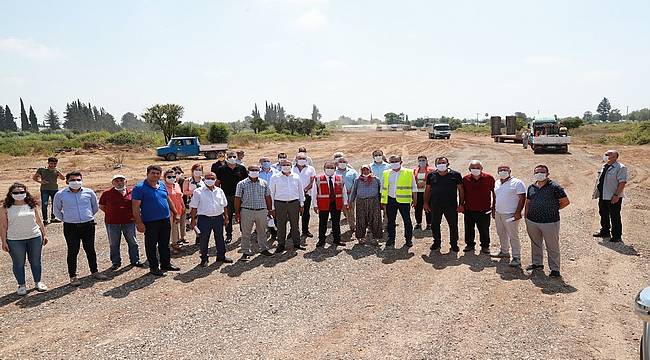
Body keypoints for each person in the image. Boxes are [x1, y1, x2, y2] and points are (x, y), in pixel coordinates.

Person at [53, 171, 108, 285]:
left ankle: (94, 272)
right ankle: (73, 276)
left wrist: (87, 216)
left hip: (88, 225)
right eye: (72, 180)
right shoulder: (60, 194)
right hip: (70, 227)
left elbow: (94, 207)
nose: (76, 182)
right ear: (67, 181)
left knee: (90, 249)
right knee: (73, 251)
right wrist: (67, 219)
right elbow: (56, 210)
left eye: (78, 180)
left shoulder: (89, 192)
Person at [132, 165, 181, 276]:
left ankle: (166, 264)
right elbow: (135, 206)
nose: (155, 175)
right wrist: (139, 222)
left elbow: (168, 200)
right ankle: (153, 267)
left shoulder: (162, 185)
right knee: (151, 245)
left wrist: (175, 213)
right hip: (150, 222)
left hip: (165, 219)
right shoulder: (139, 188)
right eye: (153, 173)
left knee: (164, 244)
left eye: (157, 173)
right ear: (147, 173)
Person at [0, 183, 49, 295]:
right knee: (18, 263)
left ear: (26, 193)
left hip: (34, 237)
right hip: (14, 239)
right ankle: (21, 285)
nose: (19, 194)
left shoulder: (32, 205)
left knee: (36, 261)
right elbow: (3, 226)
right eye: (16, 193)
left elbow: (39, 221)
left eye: (22, 192)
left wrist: (44, 235)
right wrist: (3, 241)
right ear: (10, 194)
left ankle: (38, 282)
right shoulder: (5, 208)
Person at [525, 164, 570, 278]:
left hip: (550, 222)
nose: (539, 174)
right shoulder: (531, 187)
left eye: (542, 172)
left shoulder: (555, 187)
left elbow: (565, 202)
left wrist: (553, 209)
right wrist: (526, 217)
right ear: (534, 174)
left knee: (552, 246)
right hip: (532, 221)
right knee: (535, 243)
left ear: (547, 174)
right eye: (537, 172)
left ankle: (555, 269)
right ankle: (537, 264)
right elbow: (528, 203)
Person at [98, 174, 144, 270]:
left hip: (129, 222)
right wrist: (111, 213)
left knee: (133, 242)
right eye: (116, 181)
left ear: (126, 182)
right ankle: (116, 262)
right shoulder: (107, 193)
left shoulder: (132, 192)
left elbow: (137, 205)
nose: (119, 183)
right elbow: (102, 206)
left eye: (121, 180)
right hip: (112, 223)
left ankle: (135, 260)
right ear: (113, 183)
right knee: (114, 243)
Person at [190, 171, 232, 266]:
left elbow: (224, 205)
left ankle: (221, 256)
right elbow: (194, 207)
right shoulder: (198, 191)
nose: (210, 180)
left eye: (212, 178)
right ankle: (204, 258)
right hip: (204, 219)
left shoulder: (220, 191)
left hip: (218, 218)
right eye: (208, 178)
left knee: (220, 238)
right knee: (204, 239)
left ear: (216, 180)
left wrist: (226, 216)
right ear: (204, 180)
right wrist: (193, 220)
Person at [424, 157, 464, 252]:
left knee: (453, 225)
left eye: (443, 162)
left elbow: (461, 190)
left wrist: (461, 204)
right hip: (435, 205)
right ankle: (437, 242)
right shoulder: (431, 175)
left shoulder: (456, 175)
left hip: (451, 205)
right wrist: (425, 203)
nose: (441, 164)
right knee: (435, 224)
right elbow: (427, 190)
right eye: (439, 163)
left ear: (448, 164)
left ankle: (454, 244)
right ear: (436, 165)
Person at [234, 165, 274, 260]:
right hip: (247, 211)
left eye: (256, 170)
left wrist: (270, 210)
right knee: (246, 233)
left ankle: (264, 249)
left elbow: (268, 197)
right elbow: (237, 198)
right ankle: (245, 251)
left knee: (262, 231)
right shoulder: (242, 184)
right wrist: (237, 212)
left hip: (261, 211)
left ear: (259, 171)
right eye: (252, 170)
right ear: (248, 171)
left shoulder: (264, 183)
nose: (254, 171)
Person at [269, 159, 305, 253]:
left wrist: (302, 204)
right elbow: (271, 193)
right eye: (284, 165)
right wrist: (272, 208)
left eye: (288, 164)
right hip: (280, 204)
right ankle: (281, 244)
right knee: (281, 225)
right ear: (280, 166)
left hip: (294, 203)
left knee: (295, 224)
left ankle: (297, 243)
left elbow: (300, 191)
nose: (286, 166)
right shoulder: (275, 177)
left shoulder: (296, 176)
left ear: (291, 166)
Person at [493, 165, 526, 267]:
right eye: (500, 170)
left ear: (510, 171)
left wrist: (518, 212)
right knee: (501, 233)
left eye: (505, 170)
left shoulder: (517, 182)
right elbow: (495, 196)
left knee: (513, 236)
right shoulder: (497, 182)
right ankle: (504, 252)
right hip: (499, 213)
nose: (503, 171)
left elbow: (522, 198)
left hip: (511, 214)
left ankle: (516, 257)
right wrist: (493, 209)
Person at [380, 155, 417, 248]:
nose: (394, 163)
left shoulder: (409, 172)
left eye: (396, 161)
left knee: (407, 221)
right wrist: (382, 201)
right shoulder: (386, 173)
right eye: (392, 161)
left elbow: (414, 187)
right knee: (391, 221)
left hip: (404, 200)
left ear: (401, 161)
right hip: (390, 200)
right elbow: (382, 188)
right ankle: (391, 238)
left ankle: (408, 239)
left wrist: (415, 200)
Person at [592, 150, 627, 242]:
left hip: (613, 196)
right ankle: (605, 231)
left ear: (615, 157)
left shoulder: (620, 167)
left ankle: (616, 236)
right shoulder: (604, 166)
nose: (606, 155)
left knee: (614, 216)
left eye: (609, 154)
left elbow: (622, 182)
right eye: (606, 154)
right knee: (603, 213)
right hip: (603, 195)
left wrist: (616, 195)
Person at [312, 161, 349, 247]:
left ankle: (337, 240)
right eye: (328, 167)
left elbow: (344, 191)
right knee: (323, 223)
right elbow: (314, 193)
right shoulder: (318, 178)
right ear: (324, 169)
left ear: (335, 169)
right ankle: (321, 240)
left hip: (336, 203)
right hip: (323, 204)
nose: (330, 169)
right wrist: (315, 205)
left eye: (332, 167)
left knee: (336, 223)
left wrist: (346, 202)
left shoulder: (339, 178)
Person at [462, 160, 496, 254]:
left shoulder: (489, 178)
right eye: (473, 168)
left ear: (482, 168)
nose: (475, 169)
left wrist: (494, 207)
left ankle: (485, 246)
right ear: (469, 169)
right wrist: (461, 205)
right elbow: (461, 193)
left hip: (484, 209)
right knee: (469, 228)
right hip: (469, 209)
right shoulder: (465, 179)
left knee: (484, 229)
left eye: (478, 168)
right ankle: (470, 245)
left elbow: (494, 193)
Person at [216, 151, 248, 243]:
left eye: (234, 156)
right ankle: (229, 235)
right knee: (228, 216)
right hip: (227, 196)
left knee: (242, 216)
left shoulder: (241, 168)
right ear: (227, 157)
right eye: (230, 156)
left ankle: (244, 234)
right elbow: (218, 183)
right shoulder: (221, 169)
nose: (232, 158)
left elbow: (246, 182)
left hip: (240, 196)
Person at [350, 164, 382, 245]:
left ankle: (376, 238)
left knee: (375, 219)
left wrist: (382, 202)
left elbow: (380, 191)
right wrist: (351, 201)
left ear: (370, 170)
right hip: (361, 202)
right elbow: (354, 191)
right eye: (363, 170)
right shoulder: (357, 180)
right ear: (361, 171)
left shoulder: (376, 179)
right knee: (361, 219)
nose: (365, 171)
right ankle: (361, 237)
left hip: (374, 201)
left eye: (367, 169)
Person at [32, 157, 65, 225]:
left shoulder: (56, 171)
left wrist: (58, 172)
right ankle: (45, 220)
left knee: (54, 204)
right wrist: (40, 182)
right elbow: (34, 177)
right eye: (51, 163)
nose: (53, 165)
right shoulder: (42, 170)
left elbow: (63, 178)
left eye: (55, 164)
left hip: (54, 189)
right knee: (45, 204)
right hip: (44, 189)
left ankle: (53, 218)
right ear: (48, 163)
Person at [293, 152, 316, 239]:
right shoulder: (291, 169)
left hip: (307, 194)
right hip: (294, 195)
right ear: (296, 160)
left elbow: (312, 181)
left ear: (306, 160)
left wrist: (305, 190)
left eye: (303, 159)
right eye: (299, 158)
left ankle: (305, 230)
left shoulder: (311, 169)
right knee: (294, 214)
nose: (301, 160)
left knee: (305, 213)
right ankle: (293, 231)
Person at [259, 156, 280, 241]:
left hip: (273, 196)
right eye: (264, 161)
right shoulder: (258, 173)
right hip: (262, 197)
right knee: (264, 216)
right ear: (260, 163)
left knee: (274, 214)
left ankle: (275, 233)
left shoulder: (276, 172)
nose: (266, 162)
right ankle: (265, 232)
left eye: (268, 161)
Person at [164, 169, 185, 254]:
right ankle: (168, 246)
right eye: (169, 177)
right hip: (169, 211)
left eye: (173, 176)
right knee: (169, 229)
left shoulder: (176, 185)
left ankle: (175, 243)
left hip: (178, 210)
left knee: (175, 227)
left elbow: (180, 197)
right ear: (164, 177)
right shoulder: (163, 186)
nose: (172, 178)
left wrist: (183, 207)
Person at [335, 156, 358, 232]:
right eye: (340, 162)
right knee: (343, 210)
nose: (342, 163)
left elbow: (356, 181)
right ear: (337, 163)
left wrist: (351, 189)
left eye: (344, 162)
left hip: (351, 195)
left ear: (347, 163)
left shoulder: (352, 172)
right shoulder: (335, 173)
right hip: (340, 196)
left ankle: (352, 225)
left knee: (351, 209)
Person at [370, 149, 391, 228]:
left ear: (382, 156)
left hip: (385, 191)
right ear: (373, 157)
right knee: (375, 209)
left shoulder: (388, 166)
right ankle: (375, 225)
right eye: (376, 155)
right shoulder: (370, 167)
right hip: (373, 191)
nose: (378, 157)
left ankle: (385, 224)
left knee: (386, 209)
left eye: (379, 155)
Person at [413, 155, 434, 230]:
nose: (422, 162)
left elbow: (434, 180)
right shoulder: (415, 170)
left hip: (428, 192)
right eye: (420, 160)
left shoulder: (431, 170)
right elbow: (412, 180)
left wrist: (425, 183)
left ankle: (429, 224)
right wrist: (416, 184)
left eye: (423, 160)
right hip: (418, 192)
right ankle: (418, 223)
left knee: (428, 208)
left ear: (426, 161)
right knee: (417, 208)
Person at [171, 166, 188, 245]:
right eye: (175, 173)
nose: (177, 175)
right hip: (173, 207)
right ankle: (176, 240)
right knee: (175, 224)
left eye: (178, 173)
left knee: (183, 222)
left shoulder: (183, 181)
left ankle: (183, 237)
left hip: (182, 204)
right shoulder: (169, 183)